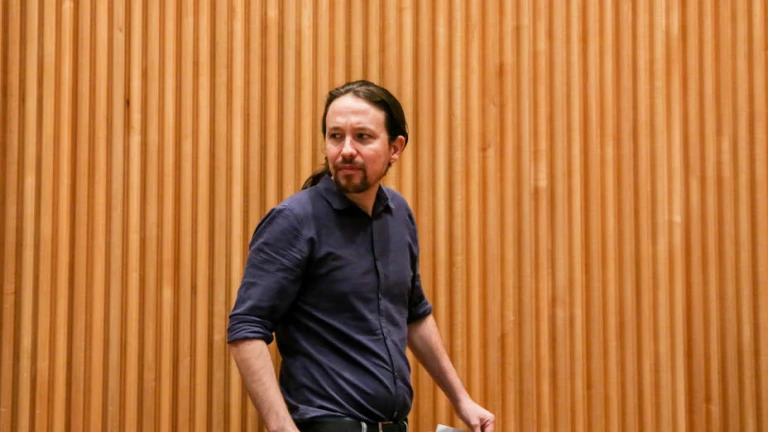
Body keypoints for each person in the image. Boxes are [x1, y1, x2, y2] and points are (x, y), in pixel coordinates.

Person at [227, 80, 495, 432]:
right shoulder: (294, 221)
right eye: (336, 137)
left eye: (362, 137)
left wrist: (462, 400)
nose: (346, 150)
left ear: (395, 148)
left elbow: (414, 314)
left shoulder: (398, 214)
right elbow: (246, 329)